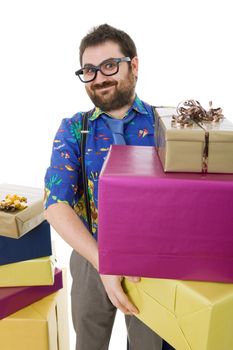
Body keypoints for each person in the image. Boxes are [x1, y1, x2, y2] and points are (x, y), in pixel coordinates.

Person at [44, 23, 174, 350]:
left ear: (135, 65)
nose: (99, 77)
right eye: (89, 70)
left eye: (109, 66)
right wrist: (105, 263)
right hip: (90, 257)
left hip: (154, 266)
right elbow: (55, 204)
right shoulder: (74, 129)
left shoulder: (166, 126)